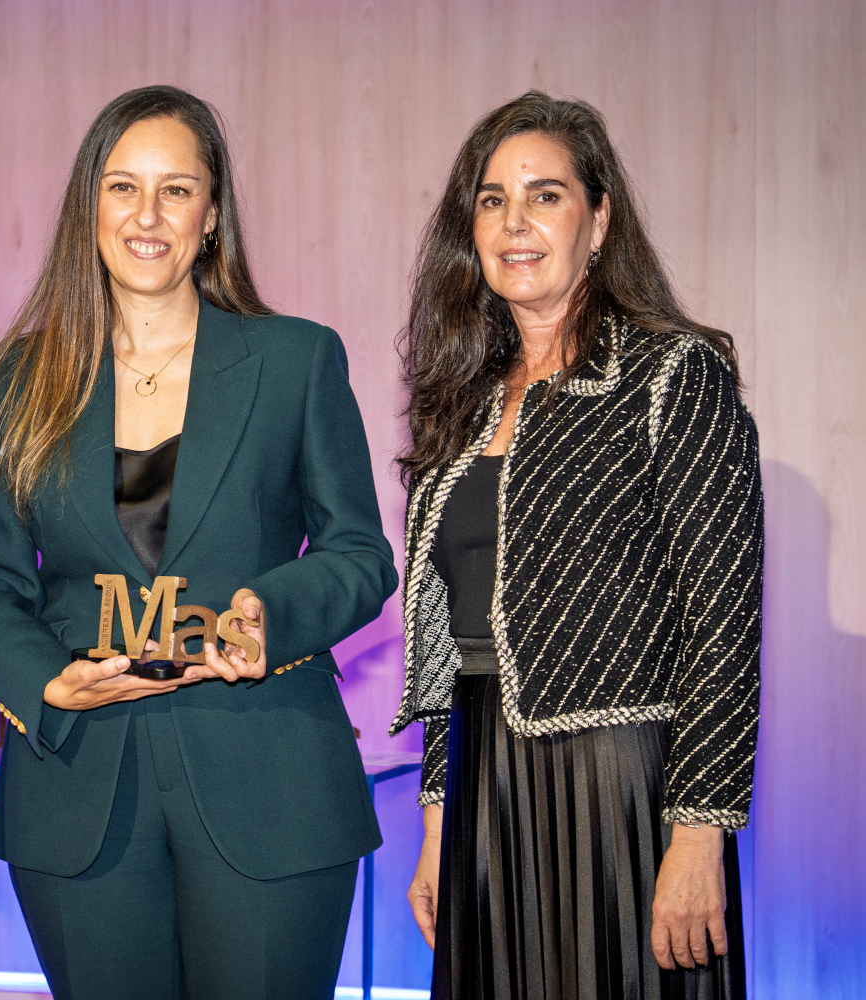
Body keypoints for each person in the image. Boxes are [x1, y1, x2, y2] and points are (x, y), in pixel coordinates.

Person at [0, 85, 398, 1000]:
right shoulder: (25, 376)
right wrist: (45, 679)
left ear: (213, 214)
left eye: (175, 190)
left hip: (270, 773)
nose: (147, 216)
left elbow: (361, 553)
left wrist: (268, 618)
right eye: (122, 188)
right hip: (76, 780)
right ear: (92, 208)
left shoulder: (295, 360)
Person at [390, 91, 761, 999]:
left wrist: (699, 833)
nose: (515, 221)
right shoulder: (461, 401)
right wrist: (439, 827)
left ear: (598, 221)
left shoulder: (675, 373)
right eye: (491, 200)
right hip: (485, 790)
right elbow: (455, 650)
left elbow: (724, 623)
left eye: (545, 195)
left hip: (625, 793)